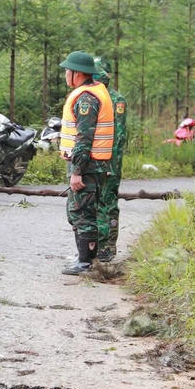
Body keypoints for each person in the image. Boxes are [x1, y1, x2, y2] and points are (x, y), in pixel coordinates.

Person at [58, 52, 114, 276]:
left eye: (67, 71)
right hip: (92, 165)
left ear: (77, 73)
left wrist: (77, 171)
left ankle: (85, 263)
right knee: (79, 211)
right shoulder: (93, 91)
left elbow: (84, 137)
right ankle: (84, 257)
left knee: (83, 213)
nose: (65, 74)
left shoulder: (87, 98)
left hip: (88, 166)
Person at [93, 58, 126, 268]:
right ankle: (95, 245)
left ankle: (108, 246)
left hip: (110, 162)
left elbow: (119, 136)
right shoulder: (91, 96)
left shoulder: (116, 100)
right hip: (94, 162)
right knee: (94, 204)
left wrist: (110, 165)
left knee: (108, 203)